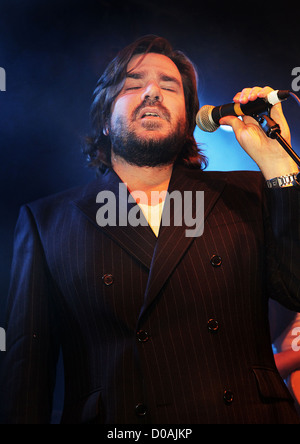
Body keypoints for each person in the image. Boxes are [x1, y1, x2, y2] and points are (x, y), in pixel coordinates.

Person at [1, 34, 300, 424]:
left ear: (191, 120)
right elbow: (26, 374)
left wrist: (279, 166)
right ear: (105, 121)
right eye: (133, 83)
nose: (153, 92)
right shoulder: (47, 221)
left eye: (169, 85)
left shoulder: (248, 193)